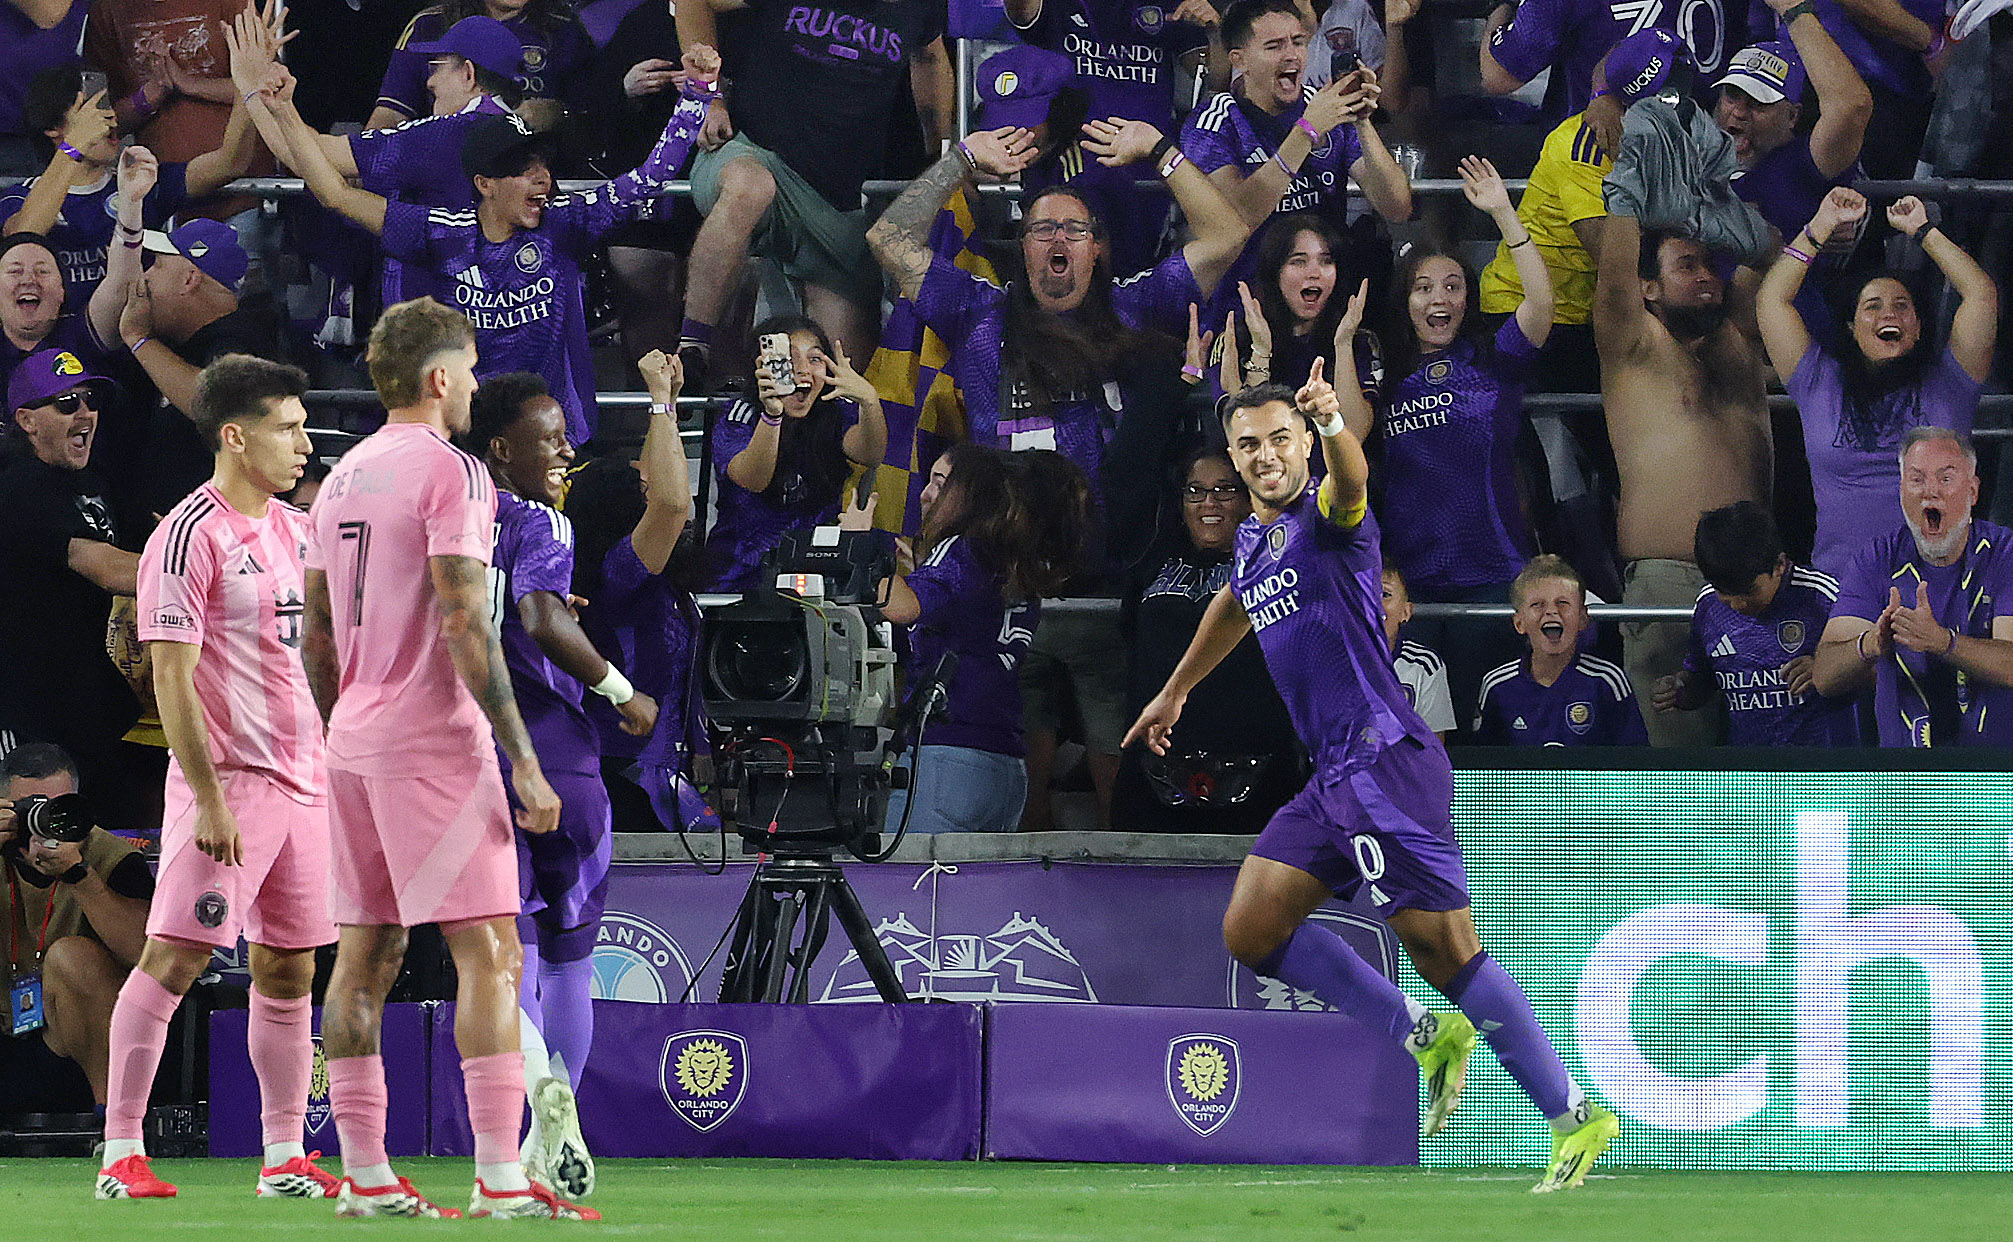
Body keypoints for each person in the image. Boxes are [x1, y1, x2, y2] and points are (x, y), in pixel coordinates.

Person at [1125, 370, 1620, 1192]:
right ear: (1234, 457)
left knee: (1445, 952)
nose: (1264, 456)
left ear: (1301, 443)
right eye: (1248, 444)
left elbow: (1350, 481)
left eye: (1280, 438)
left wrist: (1333, 429)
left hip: (1384, 761)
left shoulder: (1329, 520)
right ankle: (1430, 1037)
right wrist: (1177, 688)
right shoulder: (1252, 541)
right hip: (1331, 777)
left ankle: (1576, 1116)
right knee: (1251, 930)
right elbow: (1236, 607)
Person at [868, 117, 1252, 831]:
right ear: (1022, 250)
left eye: (1074, 231)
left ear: (1097, 251)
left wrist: (1161, 151)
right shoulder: (977, 313)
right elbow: (886, 240)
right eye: (1042, 230)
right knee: (1023, 779)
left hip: (1103, 590)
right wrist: (958, 161)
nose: (1056, 242)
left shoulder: (1132, 305)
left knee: (1115, 775)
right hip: (1000, 587)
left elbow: (1227, 236)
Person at [299, 297, 589, 1220]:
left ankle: (368, 1177)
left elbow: (315, 637)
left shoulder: (341, 477)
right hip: (432, 738)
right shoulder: (453, 471)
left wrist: (341, 728)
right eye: (465, 372)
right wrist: (524, 760)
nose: (470, 386)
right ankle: (503, 1178)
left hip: (352, 739)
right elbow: (466, 619)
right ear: (437, 379)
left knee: (363, 958)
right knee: (492, 954)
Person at [95, 354, 337, 1201]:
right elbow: (170, 675)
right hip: (229, 784)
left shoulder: (296, 531)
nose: (305, 442)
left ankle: (281, 1160)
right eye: (288, 426)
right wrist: (207, 796)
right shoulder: (187, 534)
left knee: (289, 971)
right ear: (235, 436)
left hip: (305, 787)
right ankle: (121, 1151)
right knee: (174, 959)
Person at [243, 39, 720, 446]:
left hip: (553, 443)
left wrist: (698, 92)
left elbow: (650, 177)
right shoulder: (441, 233)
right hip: (468, 443)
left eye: (544, 167)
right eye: (524, 170)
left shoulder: (566, 224)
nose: (543, 180)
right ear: (485, 184)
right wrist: (281, 109)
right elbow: (334, 193)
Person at [471, 369, 662, 1198]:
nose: (566, 451)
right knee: (569, 961)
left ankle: (530, 1127)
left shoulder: (451, 523)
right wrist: (624, 691)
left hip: (473, 760)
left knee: (500, 962)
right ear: (500, 448)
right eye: (550, 439)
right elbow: (543, 619)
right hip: (563, 761)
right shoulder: (541, 521)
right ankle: (559, 1132)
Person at [673, 0, 955, 376]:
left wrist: (941, 151)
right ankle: (693, 346)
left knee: (846, 376)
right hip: (754, 152)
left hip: (837, 200)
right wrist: (708, 95)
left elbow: (931, 58)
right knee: (750, 188)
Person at [1379, 156, 1551, 728]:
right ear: (1406, 303)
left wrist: (1504, 212)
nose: (1440, 298)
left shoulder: (1493, 361)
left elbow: (1541, 307)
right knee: (1424, 742)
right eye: (1424, 287)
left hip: (1492, 577)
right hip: (1413, 590)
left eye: (1453, 286)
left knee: (1490, 745)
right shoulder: (1382, 378)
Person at [1594, 208, 1770, 748]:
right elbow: (1615, 269)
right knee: (1683, 787)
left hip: (1760, 585)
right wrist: (1633, 188)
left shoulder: (1736, 341)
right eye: (1686, 266)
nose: (1705, 277)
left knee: (1773, 774)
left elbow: (1766, 251)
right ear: (1647, 287)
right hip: (1670, 586)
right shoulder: (1633, 346)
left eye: (1708, 266)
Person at [1756, 188, 1996, 579]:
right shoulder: (1820, 381)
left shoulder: (1951, 382)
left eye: (1903, 306)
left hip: (1938, 586)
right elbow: (1771, 300)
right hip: (1841, 588)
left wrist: (1923, 231)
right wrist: (1819, 228)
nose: (1890, 313)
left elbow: (1981, 296)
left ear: (1918, 329)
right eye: (1873, 306)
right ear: (1852, 329)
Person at [228, 13, 529, 312]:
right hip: (502, 317)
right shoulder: (523, 136)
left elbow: (312, 155)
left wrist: (252, 85)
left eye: (437, 66)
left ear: (468, 74)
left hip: (433, 323)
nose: (430, 80)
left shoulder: (448, 134)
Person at [877, 446, 1090, 834]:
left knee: (910, 890)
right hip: (1005, 767)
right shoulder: (1022, 560)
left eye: (942, 484)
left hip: (947, 758)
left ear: (975, 493)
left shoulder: (964, 549)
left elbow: (902, 607)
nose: (927, 495)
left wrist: (861, 546)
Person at [1116, 446, 1305, 834]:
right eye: (1195, 491)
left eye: (1224, 490)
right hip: (1158, 759)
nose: (1208, 502)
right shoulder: (1153, 560)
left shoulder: (1277, 561)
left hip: (1259, 757)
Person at [1179, 0, 1411, 313]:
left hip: (1324, 307)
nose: (1292, 55)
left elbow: (1397, 207)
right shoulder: (1215, 121)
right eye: (1274, 46)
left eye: (1298, 42)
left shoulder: (1326, 106)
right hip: (1242, 307)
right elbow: (1232, 223)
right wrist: (1306, 132)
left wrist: (1361, 120)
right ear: (1240, 59)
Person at [0, 349, 149, 828]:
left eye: (90, 399)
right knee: (42, 842)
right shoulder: (20, 488)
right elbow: (108, 568)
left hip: (90, 699)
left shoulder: (93, 480)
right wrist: (219, 575)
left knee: (110, 836)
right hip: (32, 712)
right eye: (67, 403)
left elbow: (154, 540)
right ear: (27, 420)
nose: (85, 413)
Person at [565, 349, 712, 835]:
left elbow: (657, 485)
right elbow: (671, 502)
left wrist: (669, 394)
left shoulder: (651, 577)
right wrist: (659, 405)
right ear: (623, 513)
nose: (651, 483)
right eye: (640, 490)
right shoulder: (619, 574)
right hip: (620, 777)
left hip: (663, 770)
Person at [1812, 427, 2013, 747]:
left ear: (1973, 491)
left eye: (1945, 479)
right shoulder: (1875, 560)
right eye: (1917, 480)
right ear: (1902, 492)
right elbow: (1824, 677)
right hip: (1905, 786)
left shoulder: (2006, 554)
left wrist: (1943, 642)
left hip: (1994, 778)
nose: (1930, 492)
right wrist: (1869, 645)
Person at [3, 59, 261, 291]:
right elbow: (23, 236)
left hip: (136, 330)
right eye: (91, 110)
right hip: (62, 337)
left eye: (107, 105)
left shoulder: (139, 183)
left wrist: (248, 85)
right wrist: (74, 147)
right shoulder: (20, 196)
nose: (110, 117)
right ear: (53, 128)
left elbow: (231, 163)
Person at [1004, 0, 1214, 272]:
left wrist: (1212, 31)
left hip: (1151, 155)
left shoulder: (1171, 5)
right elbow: (1021, 10)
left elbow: (1212, 77)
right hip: (1073, 153)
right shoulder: (1054, 7)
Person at [0, 742, 152, 1120]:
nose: (45, 820)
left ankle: (112, 1122)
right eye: (30, 808)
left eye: (59, 807)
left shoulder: (112, 856)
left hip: (73, 1045)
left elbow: (145, 953)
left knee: (74, 956)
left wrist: (79, 876)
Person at [706, 315, 888, 591]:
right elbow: (752, 479)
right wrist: (772, 415)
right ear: (761, 365)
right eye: (788, 359)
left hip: (817, 574)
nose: (803, 370)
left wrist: (870, 401)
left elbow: (871, 453)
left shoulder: (835, 410)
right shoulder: (740, 414)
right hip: (740, 577)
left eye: (814, 359)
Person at [1653, 500, 1857, 746]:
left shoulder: (1824, 597)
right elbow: (1703, 679)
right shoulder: (1708, 605)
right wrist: (1680, 689)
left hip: (1825, 771)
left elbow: (1875, 665)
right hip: (1749, 775)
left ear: (1780, 565)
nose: (1738, 606)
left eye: (1749, 593)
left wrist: (1828, 669)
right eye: (1726, 598)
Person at [82, 0, 283, 220]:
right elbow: (98, 125)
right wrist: (147, 98)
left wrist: (189, 84)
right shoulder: (106, 10)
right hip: (163, 202)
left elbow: (272, 87)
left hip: (245, 196)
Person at [1713, 4, 1872, 255]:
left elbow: (1852, 106)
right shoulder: (1693, 159)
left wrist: (1793, 10)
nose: (1739, 112)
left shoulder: (1801, 165)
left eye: (1758, 103)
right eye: (1732, 95)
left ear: (1791, 116)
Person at [1474, 555, 1646, 746]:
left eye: (1562, 603)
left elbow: (1635, 763)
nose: (1551, 611)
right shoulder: (1497, 686)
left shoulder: (1607, 681)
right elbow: (1486, 765)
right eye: (1537, 604)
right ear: (1519, 623)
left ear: (1582, 619)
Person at [370, 1, 593, 135]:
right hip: (442, 166)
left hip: (538, 170)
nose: (431, 81)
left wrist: (556, 115)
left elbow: (591, 123)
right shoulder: (428, 25)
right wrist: (365, 158)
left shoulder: (565, 30)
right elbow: (391, 111)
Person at [1223, 211, 1381, 395]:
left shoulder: (1359, 341)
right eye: (1299, 262)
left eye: (1326, 261)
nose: (1314, 273)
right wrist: (1260, 350)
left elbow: (1357, 424)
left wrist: (1344, 344)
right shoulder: (1238, 340)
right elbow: (1247, 421)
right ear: (1274, 272)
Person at [0, 0, 89, 177]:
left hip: (62, 131)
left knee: (66, 193)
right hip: (10, 133)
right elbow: (49, 14)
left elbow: (51, 14)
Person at [1382, 567, 1455, 741]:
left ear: (1406, 612)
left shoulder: (1425, 665)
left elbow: (1434, 747)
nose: (1374, 605)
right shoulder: (1326, 661)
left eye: (1385, 595)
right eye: (1363, 594)